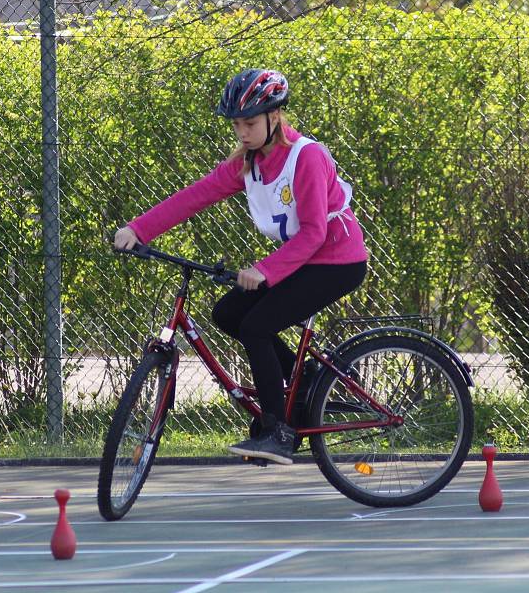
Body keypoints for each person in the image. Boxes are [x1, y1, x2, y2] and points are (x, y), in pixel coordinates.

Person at [114, 68, 368, 465]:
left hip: (337, 261)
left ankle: (277, 432)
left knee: (256, 325)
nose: (242, 132)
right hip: (304, 259)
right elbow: (194, 197)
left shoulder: (307, 157)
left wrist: (265, 269)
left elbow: (316, 232)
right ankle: (310, 386)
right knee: (229, 313)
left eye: (249, 123)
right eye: (236, 125)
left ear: (275, 117)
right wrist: (138, 229)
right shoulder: (249, 164)